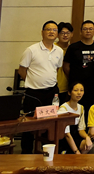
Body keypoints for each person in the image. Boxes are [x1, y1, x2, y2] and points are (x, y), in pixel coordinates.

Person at [18, 20, 64, 153]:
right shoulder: (31, 50)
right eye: (48, 29)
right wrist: (33, 82)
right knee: (29, 125)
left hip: (51, 92)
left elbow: (56, 69)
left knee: (50, 124)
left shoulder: (59, 51)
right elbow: (22, 70)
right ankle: (26, 153)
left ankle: (47, 152)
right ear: (42, 32)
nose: (51, 32)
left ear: (57, 34)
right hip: (33, 93)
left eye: (54, 30)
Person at [64, 20, 94, 121]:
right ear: (80, 31)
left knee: (90, 111)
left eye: (90, 29)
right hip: (76, 86)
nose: (88, 31)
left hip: (93, 86)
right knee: (75, 111)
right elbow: (66, 66)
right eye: (85, 29)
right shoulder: (73, 47)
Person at [58, 82, 92, 154]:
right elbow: (67, 135)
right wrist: (76, 151)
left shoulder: (81, 107)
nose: (79, 93)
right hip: (65, 140)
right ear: (69, 92)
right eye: (76, 90)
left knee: (87, 144)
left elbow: (81, 129)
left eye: (81, 90)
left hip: (75, 138)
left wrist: (87, 137)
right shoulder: (63, 109)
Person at [56, 21, 73, 104]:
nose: (65, 35)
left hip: (68, 87)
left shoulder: (73, 49)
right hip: (55, 87)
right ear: (57, 34)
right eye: (62, 33)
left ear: (72, 34)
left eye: (68, 33)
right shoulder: (53, 48)